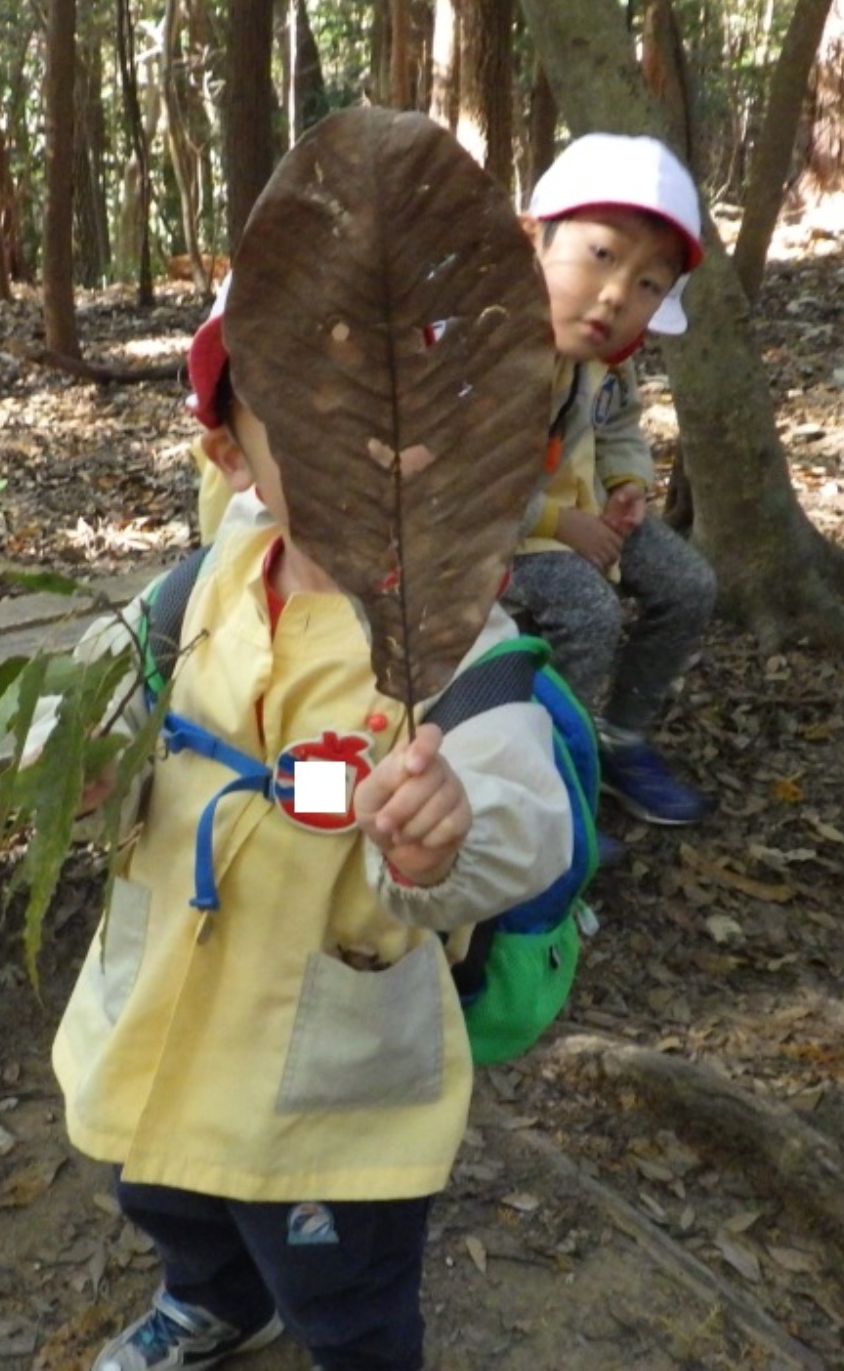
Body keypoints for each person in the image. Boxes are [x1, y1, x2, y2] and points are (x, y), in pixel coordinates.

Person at [52, 280, 573, 1368]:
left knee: (341, 1275)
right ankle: (210, 1299)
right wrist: (79, 768)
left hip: (322, 1045)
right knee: (165, 1187)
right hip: (165, 1000)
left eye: (393, 417)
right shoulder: (197, 588)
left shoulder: (455, 640)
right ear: (234, 458)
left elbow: (527, 810)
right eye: (307, 415)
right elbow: (95, 698)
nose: (362, 449)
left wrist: (448, 837)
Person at [508, 133, 719, 827]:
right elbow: (454, 483)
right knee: (587, 613)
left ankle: (618, 737)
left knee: (688, 585)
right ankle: (543, 776)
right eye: (601, 255)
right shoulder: (488, 351)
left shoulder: (607, 354)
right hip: (504, 536)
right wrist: (559, 525)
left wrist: (629, 482)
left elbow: (617, 420)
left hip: (586, 512)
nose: (615, 295)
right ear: (534, 238)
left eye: (648, 283)